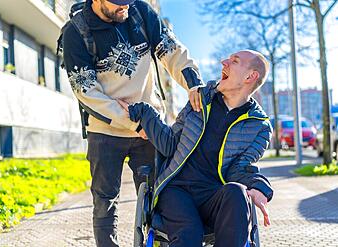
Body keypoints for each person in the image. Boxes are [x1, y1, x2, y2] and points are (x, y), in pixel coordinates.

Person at [62, 0, 204, 246]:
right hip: (105, 131)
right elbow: (87, 92)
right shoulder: (76, 32)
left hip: (149, 128)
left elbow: (172, 51)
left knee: (160, 197)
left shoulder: (141, 12)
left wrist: (193, 81)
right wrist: (134, 124)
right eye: (117, 3)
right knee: (105, 201)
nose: (124, 8)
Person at [119, 50, 274, 247]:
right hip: (177, 190)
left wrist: (259, 187)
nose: (224, 62)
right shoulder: (200, 100)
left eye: (234, 61)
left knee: (237, 192)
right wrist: (146, 113)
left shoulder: (259, 126)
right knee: (189, 232)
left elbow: (241, 168)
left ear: (250, 77)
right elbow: (170, 145)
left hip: (213, 195)